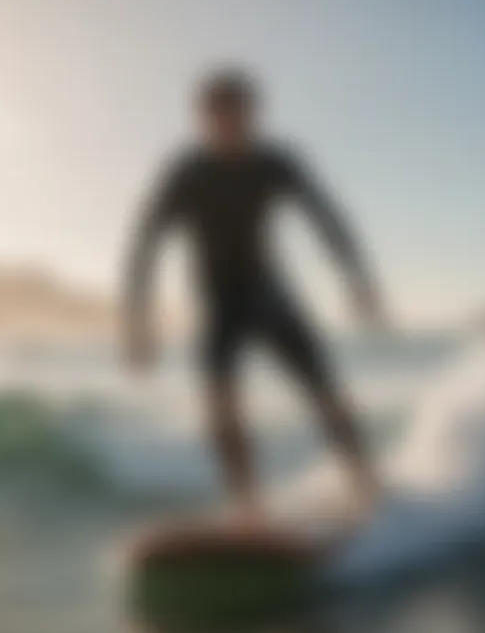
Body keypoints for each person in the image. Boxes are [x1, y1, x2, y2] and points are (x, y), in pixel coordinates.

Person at [124, 68, 383, 524]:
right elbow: (145, 244)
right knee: (219, 404)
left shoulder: (276, 164)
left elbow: (326, 217)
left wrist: (357, 279)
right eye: (218, 117)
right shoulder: (186, 173)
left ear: (254, 116)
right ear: (202, 119)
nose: (229, 127)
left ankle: (365, 484)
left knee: (323, 391)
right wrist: (137, 323)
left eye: (239, 116)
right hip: (218, 305)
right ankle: (248, 506)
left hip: (270, 296)